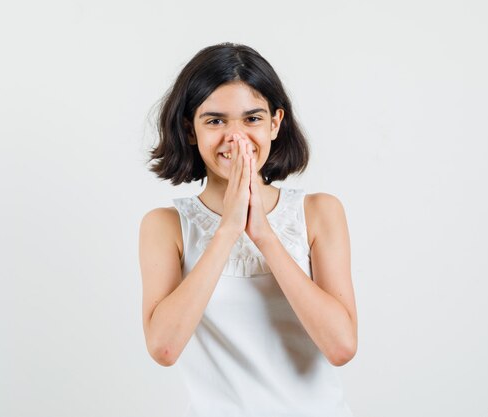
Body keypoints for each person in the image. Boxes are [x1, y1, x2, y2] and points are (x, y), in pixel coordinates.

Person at [138, 42, 358, 416]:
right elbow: (164, 348)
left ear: (275, 123)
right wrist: (226, 231)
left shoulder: (319, 212)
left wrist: (265, 236)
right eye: (215, 120)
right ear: (191, 129)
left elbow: (341, 347)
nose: (235, 137)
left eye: (252, 119)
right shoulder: (165, 226)